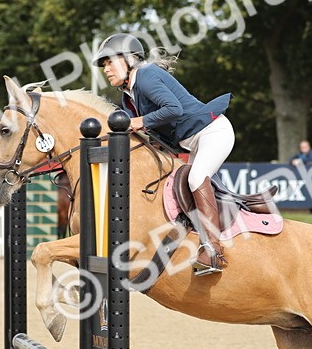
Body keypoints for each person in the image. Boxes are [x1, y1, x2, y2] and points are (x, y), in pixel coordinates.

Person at [93, 33, 234, 275]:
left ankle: (213, 250)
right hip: (190, 142)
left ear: (129, 60)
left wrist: (138, 121)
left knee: (195, 178)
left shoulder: (145, 76)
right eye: (104, 65)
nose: (106, 69)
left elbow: (173, 109)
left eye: (110, 62)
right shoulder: (128, 97)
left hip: (213, 132)